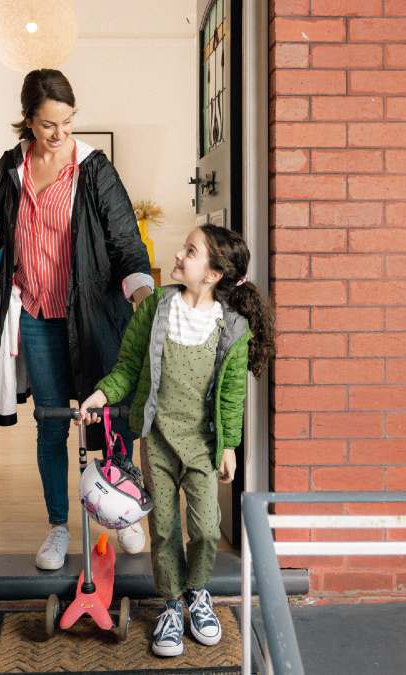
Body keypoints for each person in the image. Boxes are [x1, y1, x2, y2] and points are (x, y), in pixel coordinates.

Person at [0, 69, 153, 570]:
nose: (61, 134)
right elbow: (8, 229)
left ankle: (123, 509)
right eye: (49, 125)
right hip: (39, 315)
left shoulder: (94, 169)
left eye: (67, 122)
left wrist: (142, 292)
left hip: (91, 314)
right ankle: (58, 527)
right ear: (28, 121)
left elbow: (127, 243)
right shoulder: (12, 167)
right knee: (49, 424)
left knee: (107, 418)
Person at [78, 225, 274, 657]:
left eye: (191, 251)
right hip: (158, 442)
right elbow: (129, 365)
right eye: (183, 248)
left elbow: (230, 396)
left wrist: (229, 447)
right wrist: (102, 392)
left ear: (214, 273)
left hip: (203, 445)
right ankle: (170, 604)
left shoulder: (233, 328)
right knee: (164, 529)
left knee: (205, 529)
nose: (179, 256)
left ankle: (197, 593)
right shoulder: (156, 310)